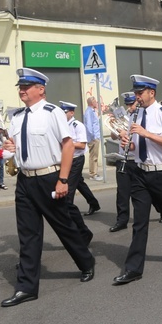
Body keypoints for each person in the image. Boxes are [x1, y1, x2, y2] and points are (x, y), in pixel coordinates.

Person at [0, 69, 95, 307]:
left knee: (63, 226)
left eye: (27, 86)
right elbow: (14, 148)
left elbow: (68, 146)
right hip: (24, 180)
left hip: (49, 177)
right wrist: (9, 146)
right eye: (20, 87)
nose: (22, 90)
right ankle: (27, 287)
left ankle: (86, 262)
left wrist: (63, 180)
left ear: (40, 89)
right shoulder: (17, 116)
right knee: (28, 234)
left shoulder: (53, 113)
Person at [112, 74, 162, 286]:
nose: (137, 97)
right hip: (140, 172)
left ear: (151, 93)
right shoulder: (135, 115)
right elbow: (133, 147)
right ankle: (133, 268)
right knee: (139, 221)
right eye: (135, 93)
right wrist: (125, 141)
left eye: (140, 93)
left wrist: (146, 134)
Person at [60, 101, 95, 246]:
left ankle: (79, 232)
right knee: (79, 183)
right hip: (64, 160)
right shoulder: (61, 126)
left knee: (69, 193)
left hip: (76, 159)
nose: (63, 115)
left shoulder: (77, 125)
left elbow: (82, 144)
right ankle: (94, 203)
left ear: (71, 113)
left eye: (65, 112)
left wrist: (68, 144)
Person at [109, 92, 137, 232]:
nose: (129, 107)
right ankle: (122, 220)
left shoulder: (141, 117)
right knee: (122, 192)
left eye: (131, 104)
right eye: (127, 104)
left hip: (137, 159)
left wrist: (126, 133)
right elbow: (114, 136)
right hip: (123, 159)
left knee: (148, 191)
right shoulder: (124, 117)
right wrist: (116, 128)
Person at [84, 97, 102, 181]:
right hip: (93, 138)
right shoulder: (89, 112)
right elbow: (89, 126)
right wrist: (93, 137)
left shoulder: (93, 111)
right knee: (93, 156)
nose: (96, 102)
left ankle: (95, 173)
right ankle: (92, 174)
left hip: (96, 137)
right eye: (95, 101)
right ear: (91, 102)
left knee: (95, 156)